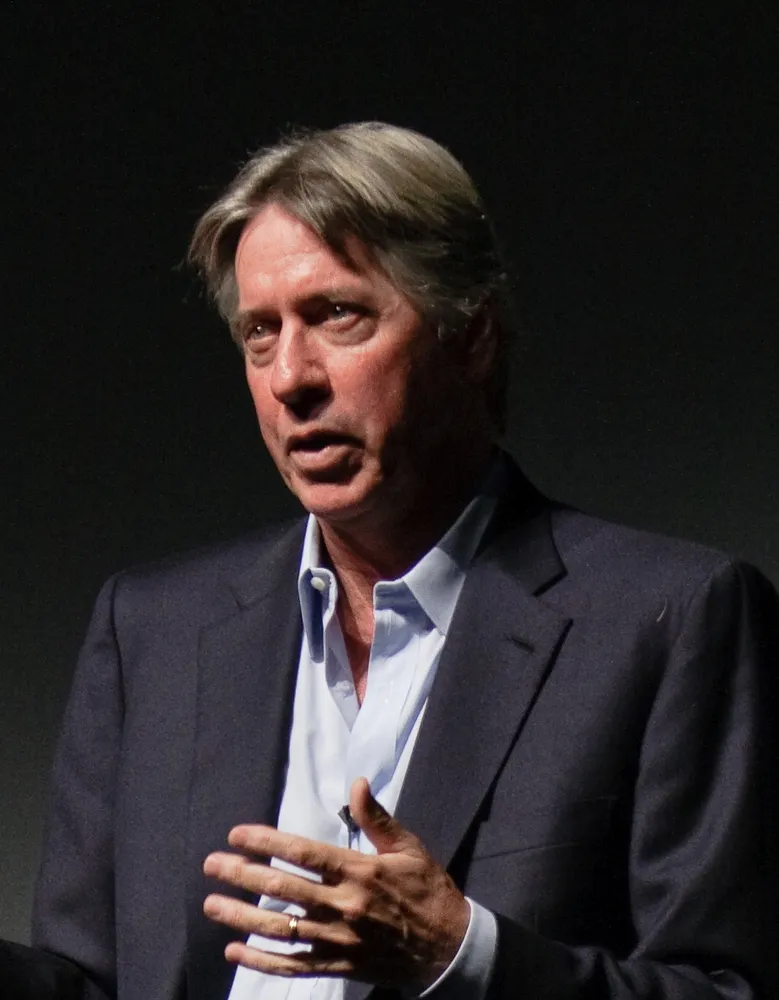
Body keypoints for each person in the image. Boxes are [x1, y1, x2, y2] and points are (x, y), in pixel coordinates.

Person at [25, 122, 779, 1000]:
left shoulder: (672, 620)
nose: (290, 377)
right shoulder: (152, 629)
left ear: (472, 336)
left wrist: (465, 955)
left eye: (336, 315)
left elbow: (732, 990)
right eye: (260, 332)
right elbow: (82, 982)